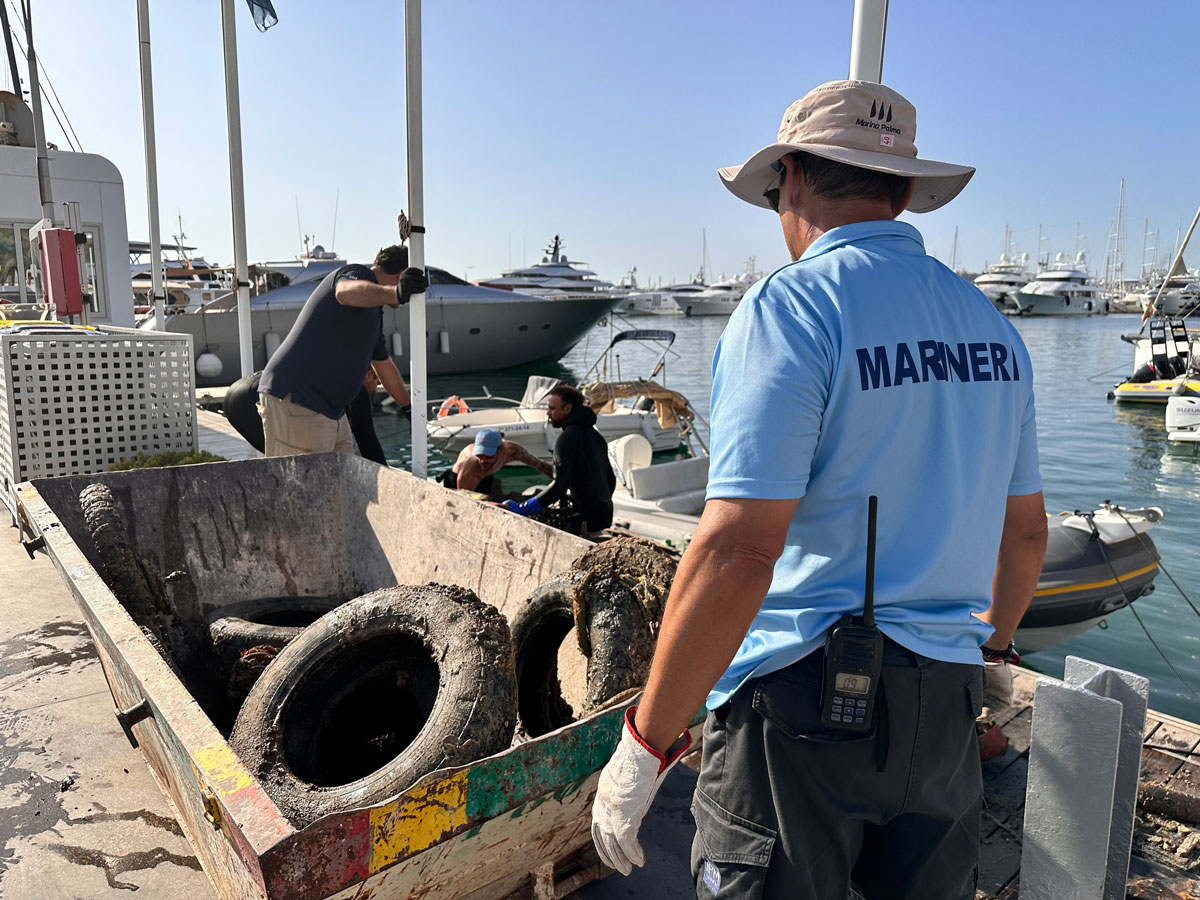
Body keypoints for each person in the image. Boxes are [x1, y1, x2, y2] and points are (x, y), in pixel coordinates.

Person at [589, 80, 1048, 900]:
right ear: (906, 193)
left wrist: (644, 743)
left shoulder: (792, 308)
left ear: (792, 179)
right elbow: (1025, 537)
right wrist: (998, 649)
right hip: (946, 706)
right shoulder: (994, 330)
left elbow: (738, 551)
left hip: (796, 712)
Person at [257, 245, 427, 456]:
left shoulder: (374, 311)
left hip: (331, 411)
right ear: (401, 276)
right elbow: (344, 292)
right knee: (305, 486)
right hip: (299, 401)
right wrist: (396, 293)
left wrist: (409, 408)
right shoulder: (357, 274)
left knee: (341, 482)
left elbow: (383, 366)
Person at [500, 385, 616, 536]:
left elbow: (561, 485)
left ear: (567, 408)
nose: (548, 413)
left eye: (552, 408)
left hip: (581, 521)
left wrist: (525, 507)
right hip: (605, 516)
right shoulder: (596, 436)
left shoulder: (567, 438)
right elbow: (611, 480)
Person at [222, 368, 387, 465]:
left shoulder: (338, 372)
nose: (377, 388)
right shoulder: (356, 386)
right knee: (292, 464)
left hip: (240, 390)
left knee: (283, 460)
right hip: (250, 400)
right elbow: (366, 438)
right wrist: (387, 477)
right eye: (378, 381)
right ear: (369, 374)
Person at [436, 428, 553, 496]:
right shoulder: (471, 466)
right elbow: (463, 498)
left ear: (500, 450)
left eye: (488, 456)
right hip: (459, 483)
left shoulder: (513, 451)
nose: (482, 461)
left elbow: (540, 465)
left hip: (486, 477)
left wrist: (562, 479)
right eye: (479, 455)